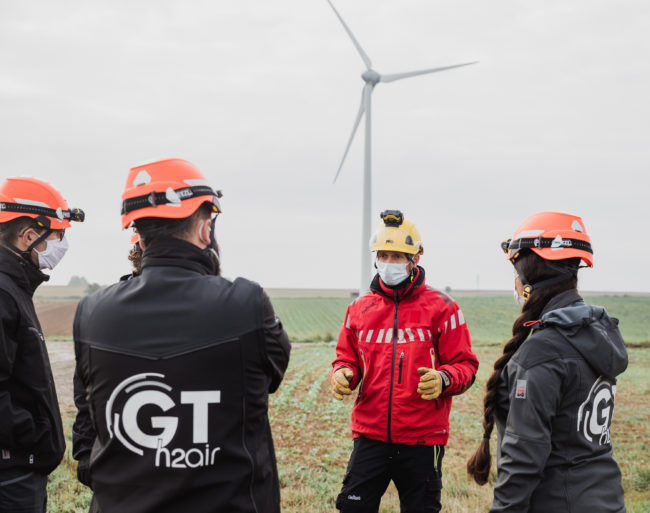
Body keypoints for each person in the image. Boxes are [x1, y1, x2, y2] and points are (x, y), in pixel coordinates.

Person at [71, 158, 291, 513]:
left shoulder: (92, 313)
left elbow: (89, 412)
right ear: (206, 230)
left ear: (138, 234)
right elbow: (272, 374)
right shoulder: (245, 303)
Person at [466, 211, 628, 512]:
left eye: (516, 271)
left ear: (530, 278)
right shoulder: (593, 334)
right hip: (606, 500)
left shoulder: (542, 353)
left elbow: (523, 457)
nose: (514, 282)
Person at [331, 209, 479, 513]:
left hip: (423, 439)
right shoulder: (359, 309)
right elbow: (346, 358)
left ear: (417, 257)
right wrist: (343, 373)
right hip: (370, 435)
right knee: (352, 508)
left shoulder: (443, 309)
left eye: (397, 256)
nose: (389, 263)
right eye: (383, 255)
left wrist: (443, 379)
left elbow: (466, 365)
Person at [0, 177, 85, 513]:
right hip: (11, 474)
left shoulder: (14, 286)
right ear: (29, 236)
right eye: (57, 237)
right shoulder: (4, 293)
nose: (61, 246)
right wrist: (32, 434)